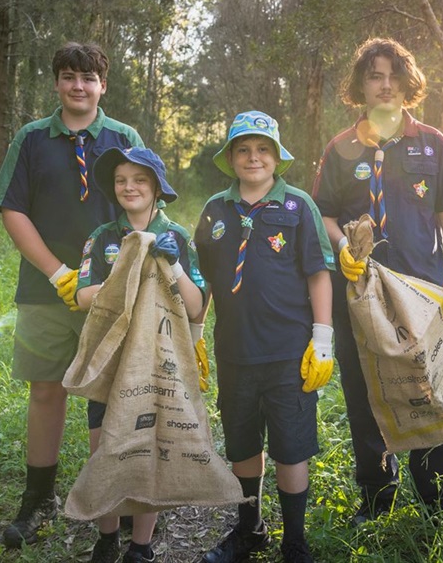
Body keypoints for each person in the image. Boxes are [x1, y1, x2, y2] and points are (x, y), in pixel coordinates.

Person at [311, 37, 443, 525]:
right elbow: (324, 213)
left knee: (426, 390)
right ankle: (376, 501)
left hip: (420, 292)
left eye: (393, 76)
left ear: (407, 85)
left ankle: (441, 503)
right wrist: (342, 246)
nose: (384, 85)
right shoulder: (340, 149)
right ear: (360, 85)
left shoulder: (432, 142)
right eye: (374, 76)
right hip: (359, 291)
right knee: (365, 393)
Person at [0, 42, 143, 548]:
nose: (79, 85)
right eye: (69, 76)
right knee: (46, 390)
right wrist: (59, 275)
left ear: (104, 85)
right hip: (44, 289)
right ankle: (39, 500)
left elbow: (141, 207)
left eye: (88, 77)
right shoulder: (31, 139)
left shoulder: (123, 138)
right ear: (57, 82)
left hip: (111, 291)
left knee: (113, 394)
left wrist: (118, 277)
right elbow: (13, 209)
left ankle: (114, 498)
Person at [193, 111, 335, 563]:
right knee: (242, 444)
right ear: (230, 158)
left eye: (262, 149)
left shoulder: (297, 206)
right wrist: (195, 332)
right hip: (235, 352)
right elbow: (207, 278)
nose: (253, 157)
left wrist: (323, 337)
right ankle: (249, 528)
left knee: (290, 449)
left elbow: (318, 275)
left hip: (289, 352)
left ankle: (295, 540)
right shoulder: (215, 209)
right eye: (243, 149)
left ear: (276, 157)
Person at [74, 146, 208, 563]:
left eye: (139, 179)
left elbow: (198, 306)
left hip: (158, 361)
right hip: (110, 359)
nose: (129, 187)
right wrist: (127, 268)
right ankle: (108, 535)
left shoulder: (179, 237)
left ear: (157, 188)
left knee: (150, 447)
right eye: (121, 180)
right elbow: (82, 297)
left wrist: (176, 266)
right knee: (105, 448)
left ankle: (141, 545)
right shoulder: (102, 237)